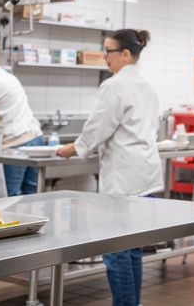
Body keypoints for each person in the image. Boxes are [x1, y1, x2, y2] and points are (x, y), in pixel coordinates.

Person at [57, 29, 162, 306]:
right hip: (145, 174)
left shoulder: (114, 86)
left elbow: (97, 127)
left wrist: (74, 148)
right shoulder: (147, 86)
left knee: (114, 248)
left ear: (126, 54)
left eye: (109, 51)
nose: (105, 57)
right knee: (133, 247)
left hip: (124, 178)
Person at [0, 39, 44, 197]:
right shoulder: (7, 76)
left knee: (11, 199)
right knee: (31, 197)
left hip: (16, 145)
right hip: (33, 139)